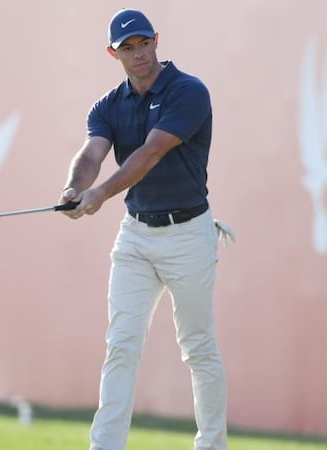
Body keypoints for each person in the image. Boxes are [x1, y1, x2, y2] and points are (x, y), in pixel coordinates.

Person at [58, 8, 230, 450]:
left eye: (144, 43)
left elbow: (152, 152)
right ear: (113, 54)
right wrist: (75, 188)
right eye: (128, 48)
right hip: (136, 235)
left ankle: (212, 445)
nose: (139, 54)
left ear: (156, 40)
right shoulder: (108, 106)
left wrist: (100, 194)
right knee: (122, 344)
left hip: (188, 233)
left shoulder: (188, 91)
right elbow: (92, 154)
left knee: (198, 347)